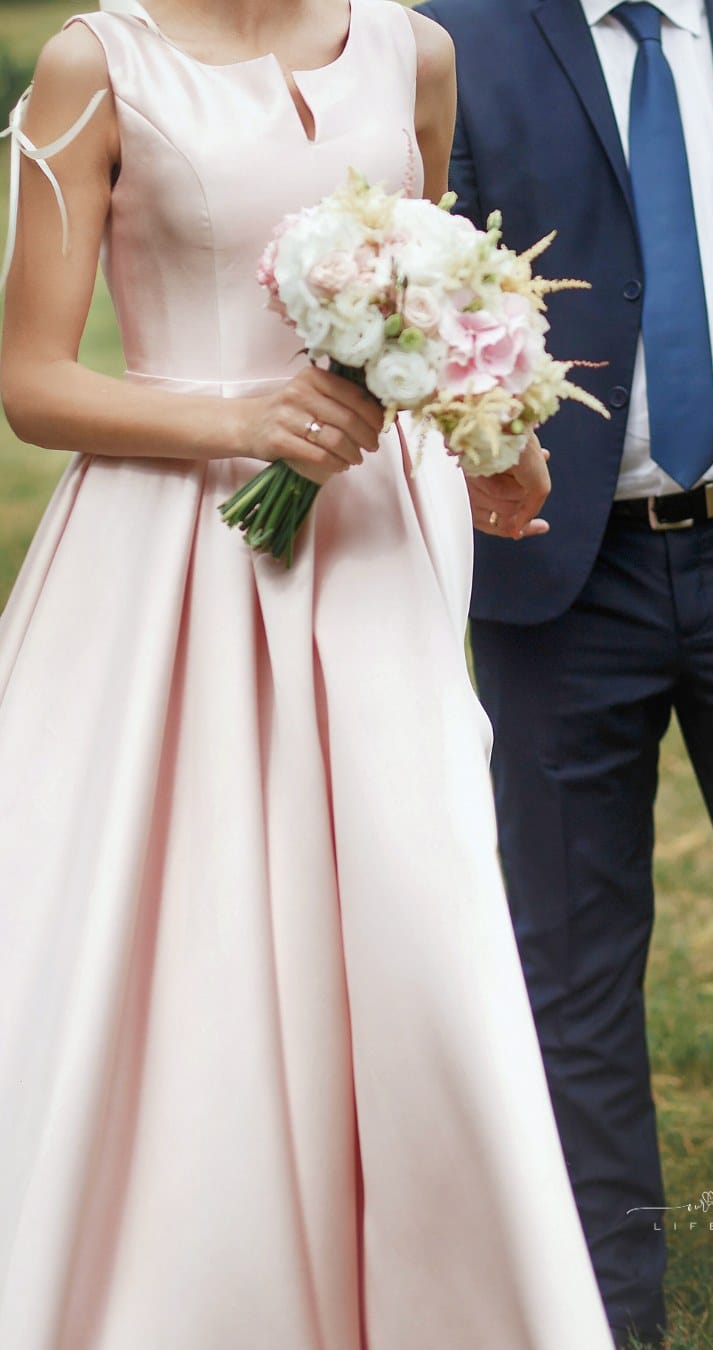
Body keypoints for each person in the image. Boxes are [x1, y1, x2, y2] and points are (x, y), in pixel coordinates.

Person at [0, 1, 615, 1345]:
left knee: (418, 908)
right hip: (173, 554)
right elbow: (31, 382)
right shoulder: (96, 64)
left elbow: (427, 299)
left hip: (379, 551)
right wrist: (240, 415)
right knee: (195, 920)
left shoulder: (414, 51)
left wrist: (490, 425)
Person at [418, 0, 713, 1343]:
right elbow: (424, 308)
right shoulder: (456, 42)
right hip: (560, 571)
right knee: (571, 942)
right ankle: (610, 1290)